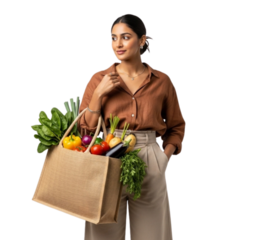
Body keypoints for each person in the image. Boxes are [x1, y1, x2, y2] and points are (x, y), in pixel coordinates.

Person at [79, 13, 187, 240]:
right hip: (106, 155)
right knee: (101, 235)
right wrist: (98, 95)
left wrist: (163, 159)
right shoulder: (97, 79)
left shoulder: (163, 81)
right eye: (112, 38)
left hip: (150, 158)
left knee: (153, 235)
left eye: (125, 37)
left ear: (141, 40)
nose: (117, 44)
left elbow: (177, 126)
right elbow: (85, 130)